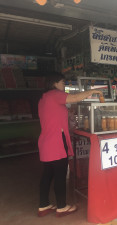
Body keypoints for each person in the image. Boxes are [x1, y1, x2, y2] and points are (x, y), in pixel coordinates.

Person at [37, 73, 103, 217]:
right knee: (60, 175)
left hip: (46, 142)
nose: (64, 85)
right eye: (62, 82)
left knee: (47, 174)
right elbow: (75, 98)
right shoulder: (55, 94)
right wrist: (93, 91)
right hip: (56, 142)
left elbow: (57, 113)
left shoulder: (44, 98)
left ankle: (43, 205)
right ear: (54, 83)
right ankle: (61, 207)